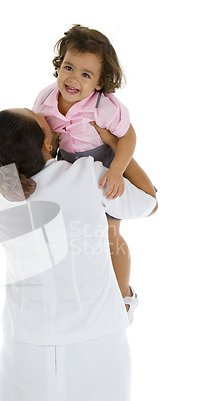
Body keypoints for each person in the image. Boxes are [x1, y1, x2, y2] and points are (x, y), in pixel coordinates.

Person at [0, 108, 157, 401]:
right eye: (45, 121)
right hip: (96, 339)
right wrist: (115, 149)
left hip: (25, 343)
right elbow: (148, 202)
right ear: (47, 143)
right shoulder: (86, 178)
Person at [33, 24, 152, 314]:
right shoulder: (46, 100)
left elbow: (128, 137)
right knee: (80, 233)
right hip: (70, 165)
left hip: (104, 162)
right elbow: (46, 135)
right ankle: (79, 292)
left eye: (86, 75)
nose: (73, 79)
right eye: (69, 67)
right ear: (59, 66)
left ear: (99, 82)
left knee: (111, 232)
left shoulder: (104, 107)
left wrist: (116, 171)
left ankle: (124, 296)